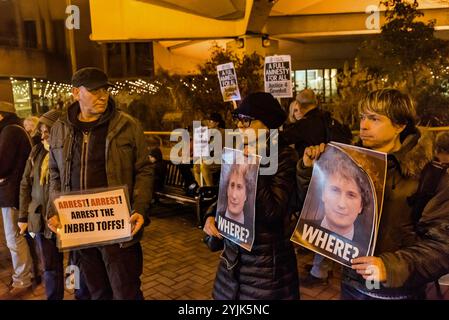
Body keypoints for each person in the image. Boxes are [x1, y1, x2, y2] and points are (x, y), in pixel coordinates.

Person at [299, 89, 449, 299]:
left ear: (400, 125)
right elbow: (315, 206)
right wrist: (309, 170)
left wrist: (390, 267)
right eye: (362, 117)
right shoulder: (347, 162)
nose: (363, 125)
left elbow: (442, 245)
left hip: (398, 292)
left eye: (374, 118)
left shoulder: (428, 175)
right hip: (351, 285)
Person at [47, 67, 153, 300]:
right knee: (95, 293)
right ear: (76, 92)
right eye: (94, 91)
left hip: (119, 230)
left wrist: (140, 209)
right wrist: (53, 210)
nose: (103, 95)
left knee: (126, 292)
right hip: (80, 231)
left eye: (105, 89)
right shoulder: (59, 129)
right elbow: (54, 173)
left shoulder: (128, 125)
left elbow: (144, 169)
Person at [203, 92, 299, 300]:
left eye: (246, 121)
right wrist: (211, 215)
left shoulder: (284, 157)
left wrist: (251, 167)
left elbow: (274, 213)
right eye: (238, 120)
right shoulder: (239, 150)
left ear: (267, 125)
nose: (240, 126)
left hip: (265, 270)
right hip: (232, 264)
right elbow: (225, 193)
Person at [18, 109, 64, 300]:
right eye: (42, 130)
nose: (44, 135)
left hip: (65, 218)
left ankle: (79, 294)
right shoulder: (36, 151)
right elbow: (25, 184)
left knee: (74, 266)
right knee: (50, 266)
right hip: (40, 218)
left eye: (49, 131)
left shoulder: (68, 153)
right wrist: (22, 216)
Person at [306, 148, 374, 245]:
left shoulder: (368, 247)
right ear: (323, 193)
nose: (341, 204)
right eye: (335, 190)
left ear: (361, 206)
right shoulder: (302, 233)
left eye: (351, 195)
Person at [0, 101, 34, 299]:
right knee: (18, 236)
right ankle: (26, 274)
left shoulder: (10, 131)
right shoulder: (13, 129)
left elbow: (2, 164)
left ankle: (23, 279)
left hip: (11, 192)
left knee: (15, 238)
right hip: (14, 191)